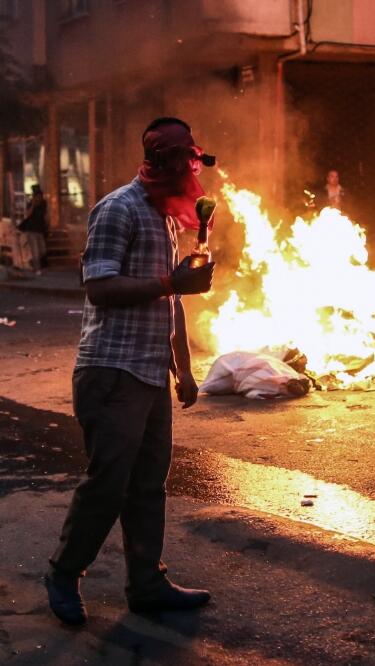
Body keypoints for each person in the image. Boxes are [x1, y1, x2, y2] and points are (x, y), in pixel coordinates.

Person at [44, 117, 217, 626]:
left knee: (147, 485)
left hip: (150, 373)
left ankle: (146, 583)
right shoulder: (117, 208)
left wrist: (183, 369)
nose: (190, 172)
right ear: (161, 161)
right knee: (109, 485)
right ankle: (63, 574)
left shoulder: (165, 217)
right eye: (182, 161)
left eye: (193, 162)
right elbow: (99, 288)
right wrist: (170, 281)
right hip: (111, 371)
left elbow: (172, 301)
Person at [18, 184, 47, 275]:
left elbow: (45, 215)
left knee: (43, 250)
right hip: (31, 230)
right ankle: (37, 269)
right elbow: (28, 215)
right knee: (35, 250)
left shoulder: (43, 204)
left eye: (40, 196)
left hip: (40, 230)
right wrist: (33, 205)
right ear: (35, 196)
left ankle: (32, 261)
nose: (39, 198)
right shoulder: (30, 203)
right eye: (37, 196)